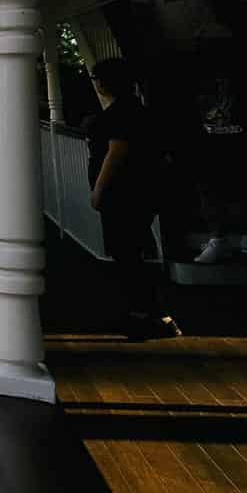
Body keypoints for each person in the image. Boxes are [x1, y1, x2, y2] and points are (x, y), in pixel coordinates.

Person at [86, 58, 177, 340]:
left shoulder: (120, 115)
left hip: (122, 195)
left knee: (127, 255)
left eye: (97, 78)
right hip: (140, 193)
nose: (96, 83)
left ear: (105, 82)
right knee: (132, 253)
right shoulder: (137, 110)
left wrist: (98, 191)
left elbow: (116, 153)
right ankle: (147, 313)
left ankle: (148, 315)